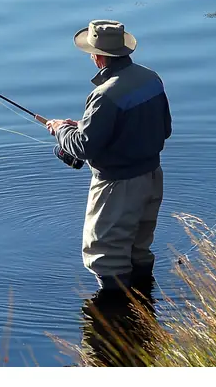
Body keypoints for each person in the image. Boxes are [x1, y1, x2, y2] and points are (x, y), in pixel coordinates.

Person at [41, 19, 172, 291]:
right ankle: (146, 306)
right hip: (152, 177)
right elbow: (164, 129)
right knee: (138, 248)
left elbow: (84, 148)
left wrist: (60, 130)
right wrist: (80, 127)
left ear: (98, 56)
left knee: (105, 257)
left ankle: (118, 319)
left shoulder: (104, 95)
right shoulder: (151, 78)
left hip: (117, 187)